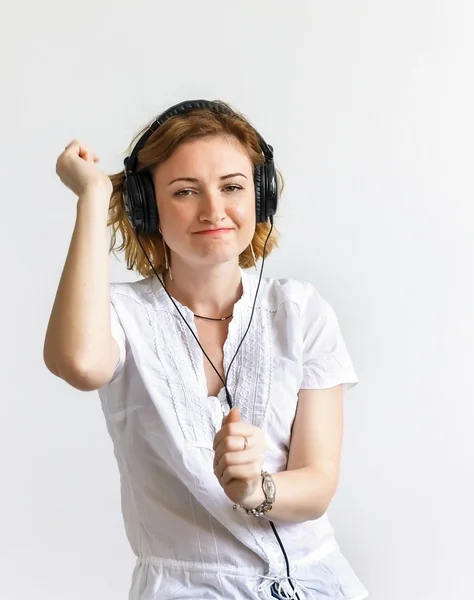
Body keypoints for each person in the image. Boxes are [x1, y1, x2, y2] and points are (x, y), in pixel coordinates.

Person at [43, 99, 368, 600]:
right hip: (182, 587)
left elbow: (319, 483)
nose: (214, 209)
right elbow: (80, 364)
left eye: (233, 187)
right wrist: (92, 197)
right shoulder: (120, 316)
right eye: (184, 191)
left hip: (318, 582)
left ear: (260, 197)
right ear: (146, 208)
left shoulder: (300, 311)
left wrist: (258, 490)